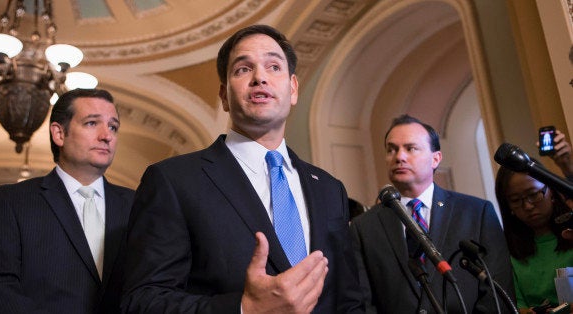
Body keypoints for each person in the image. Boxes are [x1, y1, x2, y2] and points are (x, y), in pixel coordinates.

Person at [121, 24, 364, 313]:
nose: (260, 77)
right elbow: (142, 301)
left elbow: (350, 300)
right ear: (224, 96)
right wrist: (244, 308)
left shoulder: (329, 188)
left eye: (274, 66)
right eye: (243, 69)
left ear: (293, 88)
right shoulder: (173, 181)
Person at [0, 88, 135, 313]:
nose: (106, 135)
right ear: (59, 133)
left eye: (113, 127)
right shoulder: (8, 203)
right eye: (92, 123)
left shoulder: (138, 205)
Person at [350, 114, 515, 313]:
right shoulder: (364, 227)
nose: (399, 157)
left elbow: (497, 290)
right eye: (391, 149)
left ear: (435, 158)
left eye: (410, 148)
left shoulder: (476, 213)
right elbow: (363, 301)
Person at [495, 157, 573, 312]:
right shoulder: (505, 250)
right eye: (516, 200)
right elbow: (515, 305)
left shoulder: (571, 234)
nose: (528, 206)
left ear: (550, 190)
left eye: (533, 194)